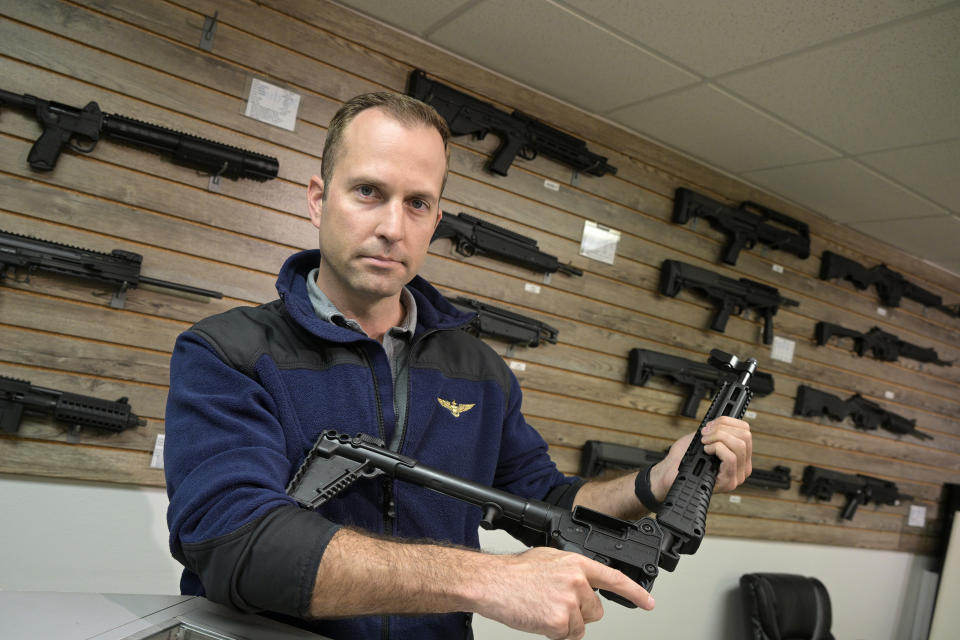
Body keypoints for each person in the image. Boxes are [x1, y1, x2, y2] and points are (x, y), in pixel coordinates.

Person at [164, 91, 752, 640]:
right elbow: (230, 541)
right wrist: (487, 578)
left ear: (436, 218)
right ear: (319, 197)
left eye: (417, 203)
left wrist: (657, 483)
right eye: (368, 191)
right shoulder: (226, 350)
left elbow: (546, 504)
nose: (393, 227)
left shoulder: (479, 370)